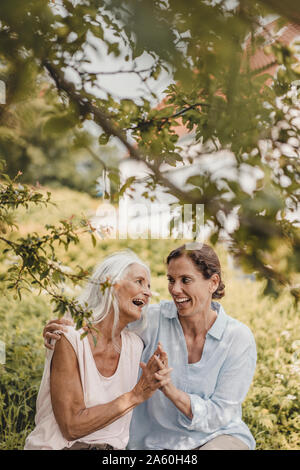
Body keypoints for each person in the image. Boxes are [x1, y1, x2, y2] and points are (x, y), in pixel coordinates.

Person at [43, 243, 257, 450]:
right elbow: (109, 314)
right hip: (156, 442)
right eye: (171, 280)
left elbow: (221, 414)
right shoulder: (151, 320)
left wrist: (170, 390)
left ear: (213, 282)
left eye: (186, 280)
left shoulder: (238, 338)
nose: (175, 289)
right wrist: (67, 322)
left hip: (217, 437)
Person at [24, 251, 171, 450]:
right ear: (110, 284)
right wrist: (136, 395)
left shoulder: (135, 345)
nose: (147, 292)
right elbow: (71, 427)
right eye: (139, 282)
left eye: (149, 286)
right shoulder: (69, 338)